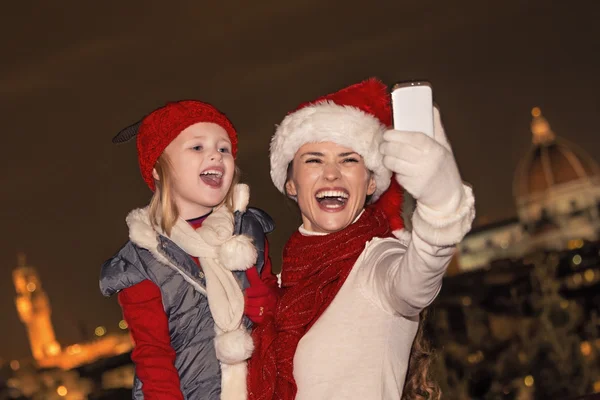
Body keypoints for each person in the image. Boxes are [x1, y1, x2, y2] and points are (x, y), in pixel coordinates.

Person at [248, 78, 475, 400]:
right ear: (290, 184)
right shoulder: (277, 287)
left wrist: (441, 204)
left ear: (371, 183)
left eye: (349, 160)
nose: (331, 174)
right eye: (314, 159)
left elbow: (417, 281)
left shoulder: (377, 262)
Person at [100, 100, 278, 400]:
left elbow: (274, 305)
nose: (215, 154)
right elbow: (154, 358)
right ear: (158, 168)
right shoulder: (144, 259)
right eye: (197, 147)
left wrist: (269, 302)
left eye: (224, 149)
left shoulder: (248, 229)